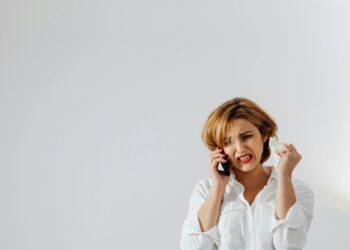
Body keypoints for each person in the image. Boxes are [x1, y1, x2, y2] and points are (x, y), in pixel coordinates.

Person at [179, 97, 314, 250]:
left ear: (263, 134)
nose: (240, 148)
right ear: (219, 149)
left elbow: (288, 245)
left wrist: (284, 176)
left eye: (246, 137)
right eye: (227, 142)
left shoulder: (299, 190)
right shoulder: (205, 190)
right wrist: (218, 188)